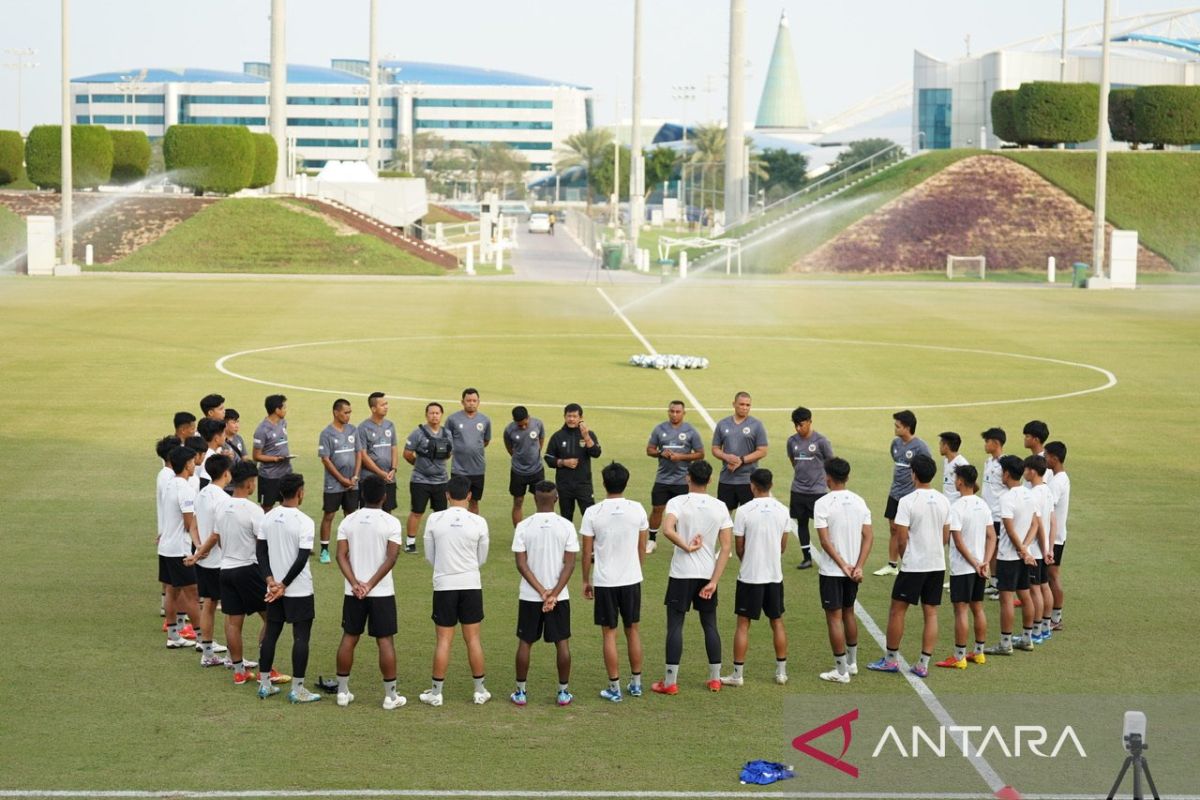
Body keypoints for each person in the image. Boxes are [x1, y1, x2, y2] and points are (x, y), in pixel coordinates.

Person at [867, 454, 950, 679]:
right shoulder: (943, 500)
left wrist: (907, 557)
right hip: (937, 564)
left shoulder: (907, 501)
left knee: (897, 610)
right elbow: (945, 535)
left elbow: (901, 538)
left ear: (913, 473)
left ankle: (891, 660)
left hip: (914, 566)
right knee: (931, 613)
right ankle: (923, 664)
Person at [654, 460, 733, 695]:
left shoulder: (677, 502)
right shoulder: (720, 506)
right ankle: (715, 679)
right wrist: (714, 581)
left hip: (681, 574)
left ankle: (670, 682)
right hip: (707, 574)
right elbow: (726, 548)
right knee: (710, 624)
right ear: (710, 480)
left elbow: (667, 529)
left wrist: (686, 547)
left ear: (688, 477)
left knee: (675, 625)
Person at [333, 475, 406, 710]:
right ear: (384, 496)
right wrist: (371, 584)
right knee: (385, 641)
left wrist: (356, 583)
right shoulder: (391, 523)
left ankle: (343, 693)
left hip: (353, 592)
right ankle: (390, 696)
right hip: (381, 592)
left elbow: (340, 555)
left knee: (349, 637)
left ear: (361, 495)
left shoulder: (348, 521)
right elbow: (392, 557)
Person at [421, 474, 491, 706]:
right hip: (471, 583)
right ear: (469, 496)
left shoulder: (435, 519)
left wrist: (444, 568)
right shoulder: (478, 522)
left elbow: (430, 555)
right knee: (473, 640)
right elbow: (482, 557)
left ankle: (436, 693)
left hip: (444, 585)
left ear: (447, 495)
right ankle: (480, 691)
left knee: (443, 640)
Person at [580, 463, 648, 702]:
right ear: (626, 482)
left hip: (605, 581)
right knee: (633, 631)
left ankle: (614, 687)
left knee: (609, 634)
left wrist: (585, 580)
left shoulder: (593, 512)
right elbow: (642, 547)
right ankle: (637, 684)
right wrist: (636, 569)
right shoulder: (637, 509)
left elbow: (586, 550)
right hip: (631, 579)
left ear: (604, 483)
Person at [721, 468, 795, 687]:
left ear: (752, 485)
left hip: (750, 576)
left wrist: (749, 560)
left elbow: (740, 547)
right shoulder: (782, 510)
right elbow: (782, 546)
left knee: (743, 624)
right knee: (777, 622)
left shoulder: (743, 511)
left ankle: (737, 674)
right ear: (770, 485)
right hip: (774, 576)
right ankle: (781, 672)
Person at [511, 481, 579, 707]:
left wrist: (541, 592)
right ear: (556, 498)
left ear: (534, 499)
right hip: (559, 597)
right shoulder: (567, 526)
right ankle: (563, 692)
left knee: (525, 642)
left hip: (530, 596)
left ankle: (520, 692)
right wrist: (553, 594)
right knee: (562, 644)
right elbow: (569, 565)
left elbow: (521, 565)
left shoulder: (523, 526)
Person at [257, 474, 321, 703]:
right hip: (299, 589)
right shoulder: (305, 521)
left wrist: (270, 581)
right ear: (300, 492)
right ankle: (298, 689)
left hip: (274, 589)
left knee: (271, 635)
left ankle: (264, 684)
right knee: (301, 638)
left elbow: (260, 552)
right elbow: (302, 558)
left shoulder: (268, 517)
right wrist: (283, 584)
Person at [214, 461, 277, 686]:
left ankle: (239, 671)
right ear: (250, 483)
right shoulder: (253, 510)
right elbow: (263, 544)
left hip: (226, 569)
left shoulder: (221, 506)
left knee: (233, 622)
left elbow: (218, 538)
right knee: (271, 617)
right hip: (248, 569)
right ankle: (265, 668)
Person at [813, 457, 873, 684]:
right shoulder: (859, 501)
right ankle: (853, 663)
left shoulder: (823, 503)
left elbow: (825, 542)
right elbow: (868, 537)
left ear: (828, 477)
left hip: (832, 572)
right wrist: (858, 567)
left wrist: (842, 565)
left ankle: (840, 671)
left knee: (834, 618)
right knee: (849, 612)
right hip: (853, 573)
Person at [935, 465, 995, 670]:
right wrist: (985, 562)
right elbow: (991, 537)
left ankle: (959, 656)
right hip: (980, 567)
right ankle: (979, 653)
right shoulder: (983, 505)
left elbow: (958, 542)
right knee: (977, 607)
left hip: (963, 568)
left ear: (960, 481)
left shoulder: (957, 507)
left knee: (960, 610)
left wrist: (975, 563)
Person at [984, 455, 1040, 655]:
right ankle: (1027, 639)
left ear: (1007, 473)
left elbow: (1008, 528)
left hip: (1008, 556)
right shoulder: (1029, 494)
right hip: (1024, 555)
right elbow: (1035, 524)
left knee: (1006, 599)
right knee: (1025, 595)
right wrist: (1025, 549)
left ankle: (1005, 643)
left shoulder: (1006, 498)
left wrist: (1021, 549)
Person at [186, 453, 232, 666]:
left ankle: (207, 654)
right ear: (226, 473)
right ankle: (233, 657)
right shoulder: (223, 499)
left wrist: (197, 548)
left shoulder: (202, 493)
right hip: (218, 562)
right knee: (231, 610)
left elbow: (193, 525)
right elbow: (217, 534)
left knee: (208, 605)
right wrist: (202, 550)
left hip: (205, 561)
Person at [874, 410, 932, 577]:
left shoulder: (920, 447)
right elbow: (896, 460)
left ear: (907, 428)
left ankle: (911, 563)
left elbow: (928, 467)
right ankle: (892, 565)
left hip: (911, 496)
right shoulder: (896, 444)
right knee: (893, 529)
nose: (895, 428)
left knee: (909, 531)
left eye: (897, 426)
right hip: (895, 493)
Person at [159, 445, 204, 650]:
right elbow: (189, 523)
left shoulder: (170, 483)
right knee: (192, 593)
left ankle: (173, 635)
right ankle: (204, 640)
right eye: (193, 461)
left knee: (172, 590)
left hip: (166, 546)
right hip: (180, 549)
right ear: (187, 464)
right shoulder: (185, 488)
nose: (195, 464)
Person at [644, 401, 704, 554]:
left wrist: (681, 457)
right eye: (672, 411)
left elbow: (700, 453)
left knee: (682, 512)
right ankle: (652, 540)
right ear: (668, 412)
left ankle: (679, 540)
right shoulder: (659, 429)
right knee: (657, 509)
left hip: (682, 480)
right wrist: (660, 453)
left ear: (684, 413)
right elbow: (649, 450)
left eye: (678, 412)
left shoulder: (691, 431)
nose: (674, 414)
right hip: (662, 479)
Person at [786, 406, 833, 570]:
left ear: (810, 422)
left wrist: (823, 480)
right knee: (802, 523)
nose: (799, 428)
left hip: (818, 492)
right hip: (798, 490)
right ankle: (807, 558)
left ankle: (830, 555)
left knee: (825, 524)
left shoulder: (821, 441)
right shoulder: (792, 441)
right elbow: (794, 461)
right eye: (796, 425)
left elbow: (830, 462)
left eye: (802, 424)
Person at [403, 402, 454, 554]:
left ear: (441, 415)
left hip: (441, 481)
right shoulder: (417, 433)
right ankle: (410, 543)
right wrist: (420, 466)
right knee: (417, 511)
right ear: (426, 415)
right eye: (431, 413)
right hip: (420, 481)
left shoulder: (447, 434)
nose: (434, 416)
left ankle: (439, 541)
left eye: (437, 413)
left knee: (440, 514)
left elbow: (449, 453)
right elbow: (407, 453)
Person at [318, 398, 361, 564]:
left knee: (350, 516)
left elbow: (358, 453)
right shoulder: (326, 433)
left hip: (352, 482)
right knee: (329, 515)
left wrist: (355, 476)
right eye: (345, 412)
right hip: (334, 484)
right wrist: (342, 479)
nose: (348, 415)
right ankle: (324, 550)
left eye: (350, 412)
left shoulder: (353, 430)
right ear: (336, 412)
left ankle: (348, 550)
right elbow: (326, 460)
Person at [711, 392, 769, 513]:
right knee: (724, 517)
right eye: (741, 404)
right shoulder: (723, 424)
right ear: (734, 404)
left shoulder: (756, 425)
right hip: (727, 479)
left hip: (748, 481)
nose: (744, 407)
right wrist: (726, 457)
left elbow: (762, 451)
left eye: (748, 405)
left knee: (749, 517)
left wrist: (741, 460)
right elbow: (715, 448)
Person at [543, 403, 602, 522]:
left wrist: (586, 436)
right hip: (564, 485)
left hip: (583, 484)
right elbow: (548, 458)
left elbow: (596, 453)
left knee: (590, 516)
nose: (571, 419)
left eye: (575, 416)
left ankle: (593, 540)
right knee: (566, 517)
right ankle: (567, 541)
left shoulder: (589, 434)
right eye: (569, 416)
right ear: (564, 417)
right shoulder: (557, 436)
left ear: (581, 417)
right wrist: (563, 462)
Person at [1025, 455, 1055, 644]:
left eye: (1026, 469)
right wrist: (1049, 549)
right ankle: (1045, 627)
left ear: (1033, 471)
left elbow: (1036, 525)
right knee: (1044, 586)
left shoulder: (1033, 494)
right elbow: (1052, 521)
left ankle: (1035, 631)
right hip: (1042, 549)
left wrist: (1032, 548)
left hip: (1034, 550)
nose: (1024, 472)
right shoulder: (1047, 491)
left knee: (1034, 590)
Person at [447, 388, 492, 516]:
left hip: (477, 469)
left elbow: (486, 440)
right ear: (462, 402)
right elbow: (447, 440)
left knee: (474, 502)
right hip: (459, 469)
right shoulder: (453, 419)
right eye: (468, 400)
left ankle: (473, 529)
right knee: (456, 503)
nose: (471, 403)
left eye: (474, 400)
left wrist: (472, 448)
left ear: (478, 402)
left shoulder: (485, 420)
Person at [1044, 441, 1070, 632]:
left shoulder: (1057, 482)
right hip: (1056, 535)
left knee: (1052, 576)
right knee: (1050, 576)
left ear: (1054, 458)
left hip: (1054, 537)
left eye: (1046, 456)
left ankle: (1055, 617)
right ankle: (1052, 615)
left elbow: (1047, 509)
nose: (1044, 459)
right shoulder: (1059, 478)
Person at [357, 392, 398, 513]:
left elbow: (394, 448)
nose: (386, 407)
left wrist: (394, 469)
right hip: (369, 479)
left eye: (387, 404)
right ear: (373, 408)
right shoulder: (363, 428)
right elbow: (363, 455)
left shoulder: (390, 425)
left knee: (387, 512)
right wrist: (380, 473)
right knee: (368, 512)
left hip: (389, 478)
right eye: (382, 404)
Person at [505, 406, 546, 526]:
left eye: (525, 424)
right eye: (519, 425)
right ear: (514, 421)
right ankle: (519, 533)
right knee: (518, 501)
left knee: (540, 500)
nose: (523, 427)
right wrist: (517, 457)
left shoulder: (538, 424)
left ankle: (540, 530)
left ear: (528, 417)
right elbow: (509, 446)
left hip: (537, 470)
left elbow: (541, 438)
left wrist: (537, 452)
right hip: (518, 471)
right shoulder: (509, 430)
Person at [979, 428, 1007, 598]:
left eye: (987, 441)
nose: (985, 445)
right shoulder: (988, 462)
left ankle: (1002, 586)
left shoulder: (1005, 464)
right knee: (991, 548)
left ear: (996, 443)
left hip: (998, 515)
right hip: (987, 515)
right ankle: (994, 582)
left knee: (999, 549)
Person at [252, 394, 293, 512]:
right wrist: (274, 459)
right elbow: (256, 456)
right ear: (277, 410)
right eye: (284, 407)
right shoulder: (262, 430)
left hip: (286, 473)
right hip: (269, 476)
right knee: (267, 507)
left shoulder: (283, 423)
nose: (286, 410)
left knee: (287, 505)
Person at [195, 417, 228, 489]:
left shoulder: (204, 452)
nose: (225, 437)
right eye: (223, 434)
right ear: (216, 438)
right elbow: (204, 483)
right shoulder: (210, 456)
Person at [938, 432, 970, 503]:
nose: (939, 447)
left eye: (940, 444)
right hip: (947, 506)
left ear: (946, 446)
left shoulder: (961, 463)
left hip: (957, 507)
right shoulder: (946, 460)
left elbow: (973, 486)